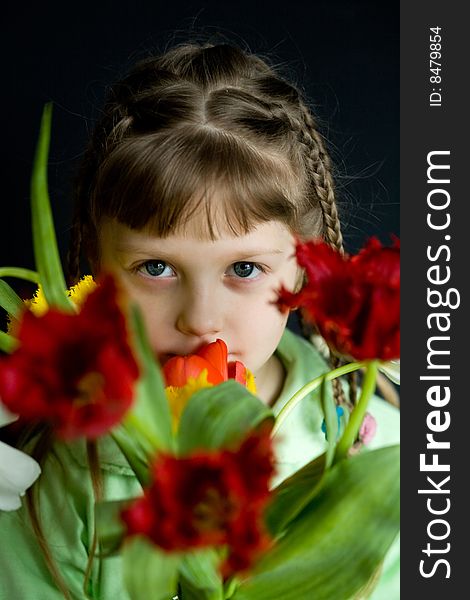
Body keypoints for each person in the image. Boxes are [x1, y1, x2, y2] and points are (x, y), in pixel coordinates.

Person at [0, 42, 399, 599]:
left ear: (308, 267)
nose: (200, 319)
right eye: (157, 267)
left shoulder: (379, 452)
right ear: (96, 263)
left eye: (244, 268)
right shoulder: (54, 472)